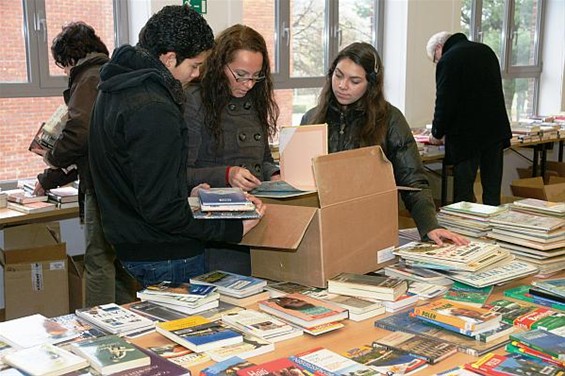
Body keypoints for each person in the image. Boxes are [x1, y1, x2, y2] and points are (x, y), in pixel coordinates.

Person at [88, 5, 265, 288]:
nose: (196, 75)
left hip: (133, 243)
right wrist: (232, 229)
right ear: (170, 59)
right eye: (194, 65)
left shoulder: (114, 89)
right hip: (167, 253)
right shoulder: (154, 107)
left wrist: (184, 192)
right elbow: (163, 211)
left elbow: (141, 178)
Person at [301, 42, 467, 246]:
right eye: (338, 75)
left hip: (370, 230)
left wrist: (429, 226)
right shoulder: (312, 118)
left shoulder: (390, 119)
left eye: (354, 81)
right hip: (322, 230)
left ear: (371, 84)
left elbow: (413, 180)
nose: (342, 86)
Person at [30, 22, 138, 306]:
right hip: (122, 183)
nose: (64, 72)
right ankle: (129, 318)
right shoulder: (110, 73)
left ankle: (99, 330)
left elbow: (80, 133)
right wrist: (48, 179)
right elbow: (90, 148)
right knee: (118, 260)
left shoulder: (88, 78)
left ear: (69, 58)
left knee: (98, 260)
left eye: (62, 66)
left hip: (103, 188)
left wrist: (52, 156)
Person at [184, 24, 280, 275]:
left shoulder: (255, 99)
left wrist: (274, 174)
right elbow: (181, 173)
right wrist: (226, 174)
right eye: (240, 74)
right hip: (217, 230)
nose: (249, 84)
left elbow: (263, 158)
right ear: (219, 65)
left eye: (256, 75)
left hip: (257, 217)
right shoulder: (194, 102)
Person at [426, 31, 512, 206]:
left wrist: (436, 133)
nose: (437, 62)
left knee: (464, 198)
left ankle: (463, 231)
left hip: (466, 137)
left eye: (435, 59)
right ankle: (493, 230)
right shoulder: (485, 51)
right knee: (492, 193)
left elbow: (444, 102)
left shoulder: (449, 59)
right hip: (495, 132)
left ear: (439, 48)